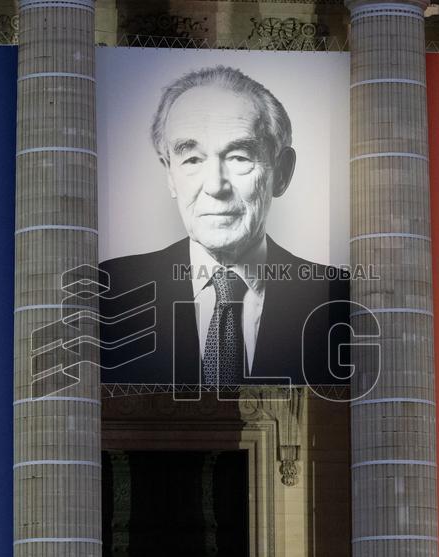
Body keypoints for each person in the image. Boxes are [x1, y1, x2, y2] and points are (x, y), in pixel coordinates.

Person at [99, 65, 349, 386]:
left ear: (282, 172)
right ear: (170, 175)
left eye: (240, 157)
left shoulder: (341, 300)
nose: (216, 186)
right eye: (192, 159)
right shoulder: (108, 293)